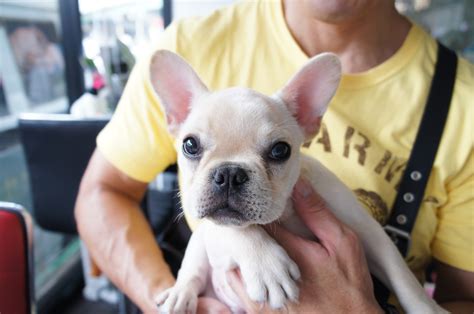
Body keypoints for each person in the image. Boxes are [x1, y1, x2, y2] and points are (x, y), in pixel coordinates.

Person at [75, 0, 474, 312]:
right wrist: (170, 299)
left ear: (307, 120)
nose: (229, 180)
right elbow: (103, 192)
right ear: (175, 118)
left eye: (276, 152)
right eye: (195, 148)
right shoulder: (190, 44)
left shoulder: (462, 105)